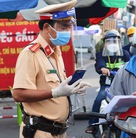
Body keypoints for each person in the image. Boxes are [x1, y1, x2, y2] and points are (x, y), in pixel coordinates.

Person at [12, 0, 91, 138]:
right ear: (47, 27)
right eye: (63, 27)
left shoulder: (56, 51)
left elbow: (54, 85)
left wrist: (73, 87)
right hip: (40, 131)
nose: (68, 32)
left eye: (69, 27)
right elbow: (18, 94)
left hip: (59, 131)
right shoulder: (31, 54)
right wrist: (55, 92)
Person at [86, 29, 131, 134]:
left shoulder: (125, 54)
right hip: (107, 84)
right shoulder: (101, 54)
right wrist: (103, 69)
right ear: (105, 43)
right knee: (98, 100)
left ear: (119, 42)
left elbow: (131, 65)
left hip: (122, 84)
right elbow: (99, 65)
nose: (112, 43)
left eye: (114, 41)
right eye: (109, 41)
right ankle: (92, 124)